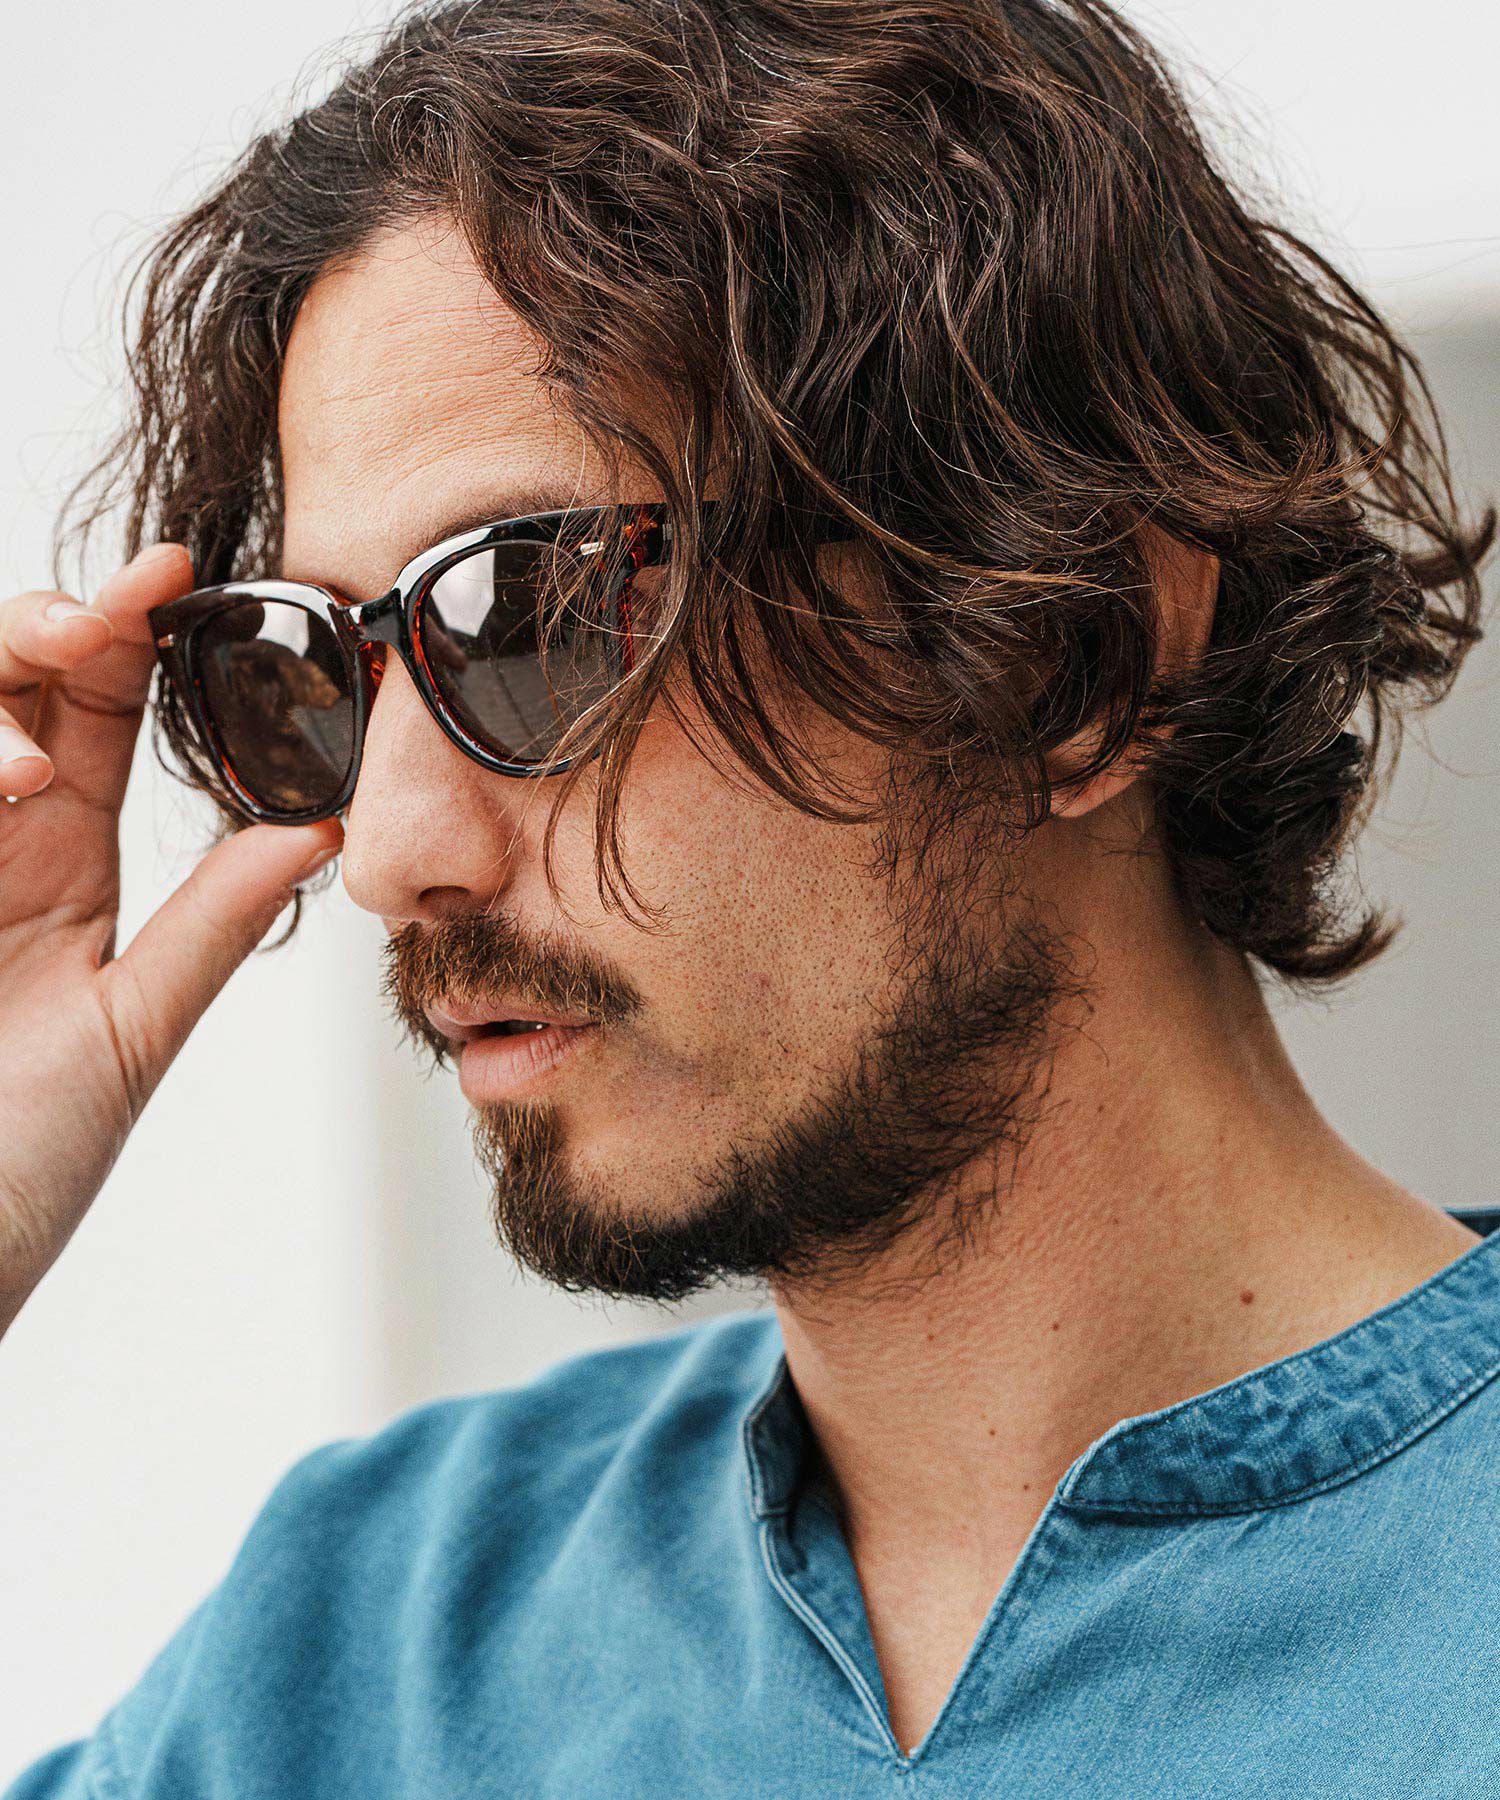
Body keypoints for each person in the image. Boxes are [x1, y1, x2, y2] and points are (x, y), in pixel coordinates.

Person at [3, 0, 1496, 1792]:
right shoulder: (372, 1645)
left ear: (1073, 654)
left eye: (530, 612)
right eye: (311, 662)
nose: (387, 851)